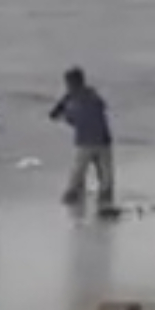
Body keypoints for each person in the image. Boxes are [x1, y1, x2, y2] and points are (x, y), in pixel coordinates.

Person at [50, 67, 115, 208]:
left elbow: (63, 115)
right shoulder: (93, 96)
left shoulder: (74, 99)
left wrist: (65, 117)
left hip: (85, 141)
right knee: (105, 172)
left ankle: (73, 195)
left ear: (71, 84)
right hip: (103, 139)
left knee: (79, 170)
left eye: (68, 84)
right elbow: (101, 108)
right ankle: (106, 195)